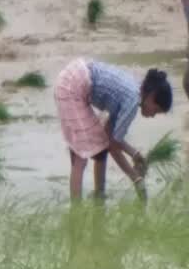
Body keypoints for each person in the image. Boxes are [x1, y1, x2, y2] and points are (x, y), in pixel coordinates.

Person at [54, 60, 171, 201]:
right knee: (80, 159)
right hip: (72, 86)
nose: (153, 115)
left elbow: (110, 139)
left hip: (73, 77)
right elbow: (114, 147)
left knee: (101, 147)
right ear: (151, 97)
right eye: (156, 111)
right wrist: (136, 178)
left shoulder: (133, 91)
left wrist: (135, 154)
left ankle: (99, 197)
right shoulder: (132, 103)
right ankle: (76, 212)